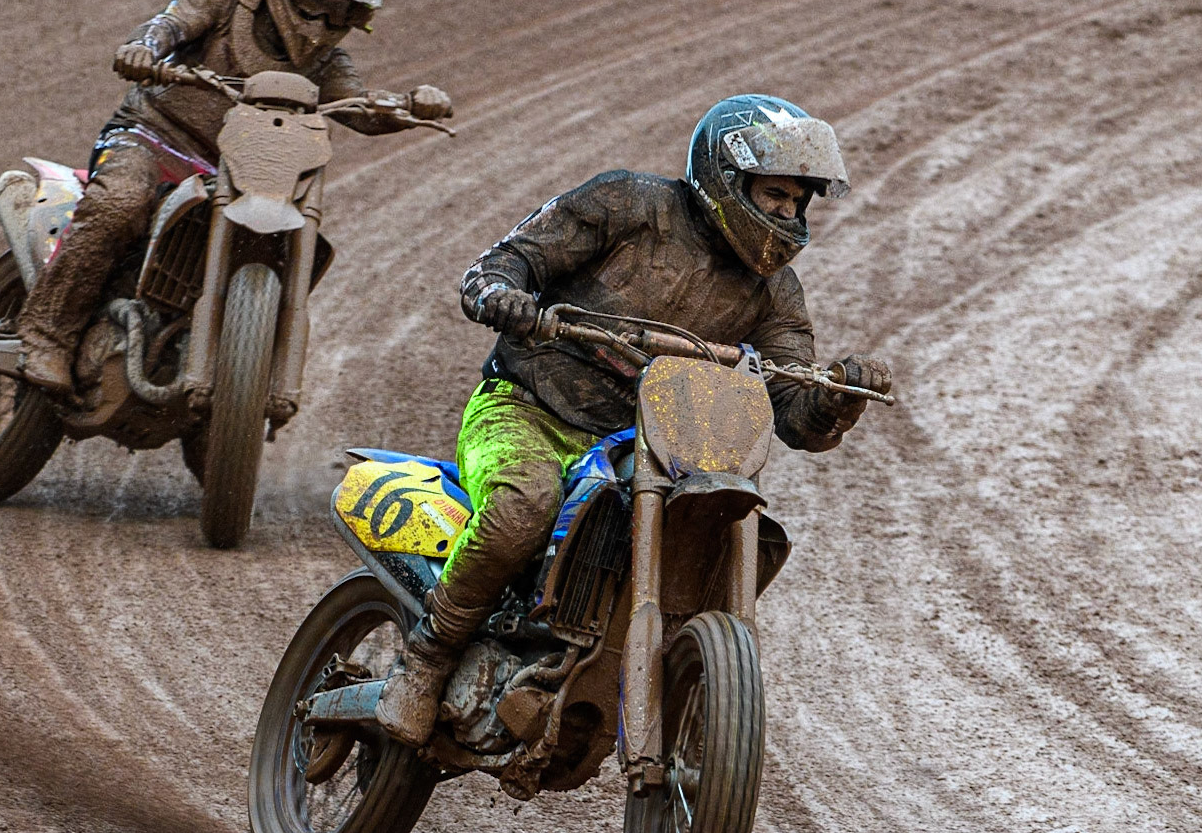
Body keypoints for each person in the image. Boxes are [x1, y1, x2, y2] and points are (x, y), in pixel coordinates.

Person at [375, 94, 893, 745]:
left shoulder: (776, 293)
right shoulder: (626, 204)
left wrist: (839, 396)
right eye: (775, 195)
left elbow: (793, 412)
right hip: (526, 409)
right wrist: (503, 294)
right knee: (522, 504)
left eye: (796, 201)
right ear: (728, 179)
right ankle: (425, 658)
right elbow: (510, 258)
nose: (786, 214)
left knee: (717, 526)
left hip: (645, 452)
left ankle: (656, 678)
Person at [17, 0, 452, 393]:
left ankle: (230, 376)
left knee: (268, 240)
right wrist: (144, 48)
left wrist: (408, 106)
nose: (326, 22)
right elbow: (170, 24)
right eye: (318, 1)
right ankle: (46, 336)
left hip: (231, 170)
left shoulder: (327, 61)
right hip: (150, 136)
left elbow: (360, 109)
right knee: (120, 203)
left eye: (346, 12)